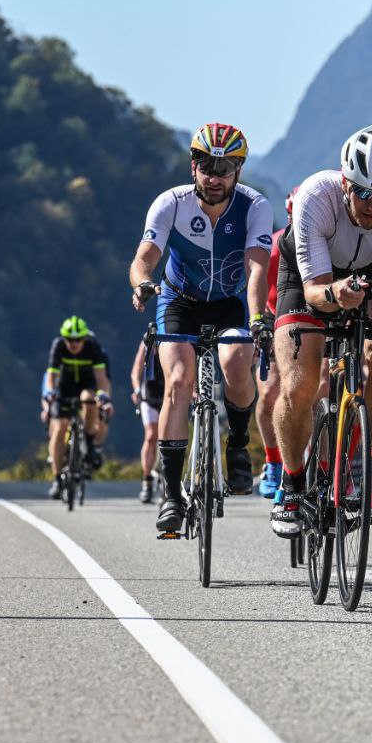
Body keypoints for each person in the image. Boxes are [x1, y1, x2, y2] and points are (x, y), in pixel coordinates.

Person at [269, 125, 372, 537]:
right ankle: (291, 484)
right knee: (301, 382)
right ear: (345, 182)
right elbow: (315, 292)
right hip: (309, 279)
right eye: (361, 191)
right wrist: (337, 294)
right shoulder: (314, 197)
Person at [127, 122, 273, 532]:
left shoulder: (255, 206)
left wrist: (258, 317)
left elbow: (256, 269)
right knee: (178, 381)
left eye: (224, 168)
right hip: (179, 301)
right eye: (206, 166)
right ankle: (172, 496)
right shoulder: (170, 203)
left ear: (238, 170)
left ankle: (238, 443)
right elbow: (144, 258)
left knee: (237, 364)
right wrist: (142, 283)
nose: (214, 176)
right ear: (193, 166)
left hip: (230, 303)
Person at [255, 187, 298, 499]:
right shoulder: (273, 248)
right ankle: (272, 462)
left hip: (314, 318)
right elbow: (257, 291)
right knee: (270, 391)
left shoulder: (332, 244)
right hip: (274, 316)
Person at [41, 315, 114, 500]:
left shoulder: (92, 347)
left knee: (89, 399)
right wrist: (49, 393)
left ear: (84, 338)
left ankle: (88, 442)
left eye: (78, 339)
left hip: (86, 386)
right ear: (64, 338)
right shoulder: (58, 346)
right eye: (69, 339)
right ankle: (57, 479)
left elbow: (102, 378)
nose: (73, 343)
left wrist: (104, 395)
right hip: (64, 388)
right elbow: (51, 375)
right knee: (59, 429)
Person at [130, 339, 166, 503]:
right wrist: (137, 389)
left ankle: (168, 479)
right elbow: (136, 370)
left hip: (168, 396)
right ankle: (147, 480)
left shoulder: (176, 339)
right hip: (148, 396)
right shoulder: (146, 342)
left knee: (169, 437)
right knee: (151, 436)